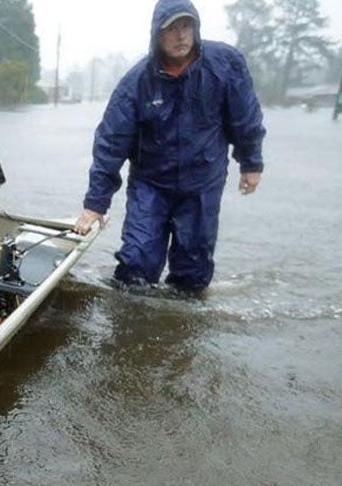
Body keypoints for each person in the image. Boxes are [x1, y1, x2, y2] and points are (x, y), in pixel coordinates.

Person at [73, 0, 265, 294]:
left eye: (186, 26)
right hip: (151, 184)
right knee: (135, 267)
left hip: (203, 182)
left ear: (196, 28)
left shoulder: (225, 64)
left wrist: (250, 163)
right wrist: (95, 204)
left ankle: (182, 324)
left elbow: (245, 116)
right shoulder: (137, 82)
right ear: (157, 34)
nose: (181, 36)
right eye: (172, 28)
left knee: (192, 274)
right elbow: (111, 142)